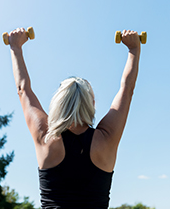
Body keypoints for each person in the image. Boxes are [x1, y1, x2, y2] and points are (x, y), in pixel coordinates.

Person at [8, 28, 141, 209]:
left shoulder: (45, 137)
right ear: (92, 104)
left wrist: (15, 47)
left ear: (57, 103)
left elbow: (23, 90)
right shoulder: (106, 138)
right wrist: (134, 49)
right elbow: (127, 90)